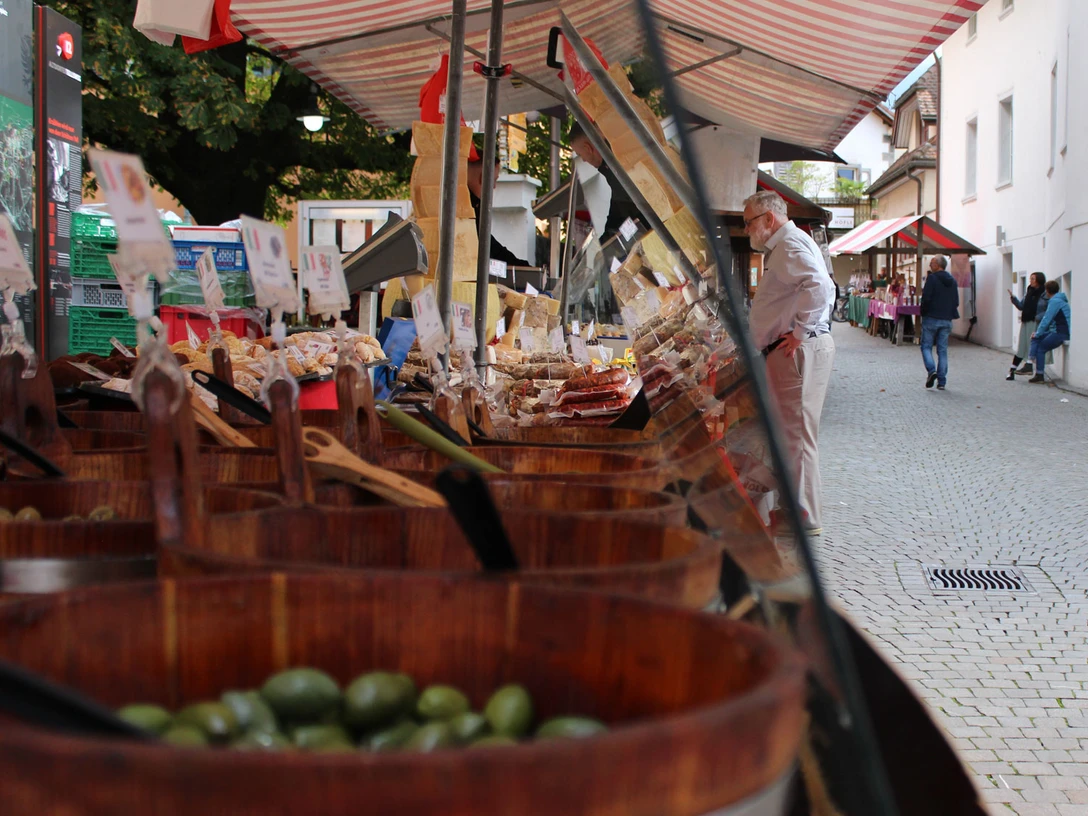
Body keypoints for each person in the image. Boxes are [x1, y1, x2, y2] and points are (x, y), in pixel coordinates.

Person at [743, 190, 836, 536]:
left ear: (768, 218)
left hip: (797, 351)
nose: (746, 229)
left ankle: (804, 518)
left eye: (749, 222)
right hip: (797, 349)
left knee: (797, 437)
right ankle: (795, 510)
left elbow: (820, 287)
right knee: (793, 435)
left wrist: (800, 332)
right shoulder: (788, 244)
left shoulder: (790, 244)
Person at [568, 122, 643, 242]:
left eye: (580, 154)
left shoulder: (618, 162)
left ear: (588, 148)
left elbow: (635, 209)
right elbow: (619, 210)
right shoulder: (608, 166)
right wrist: (605, 240)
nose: (583, 160)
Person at [465, 154, 529, 268]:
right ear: (483, 177)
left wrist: (521, 266)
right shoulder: (461, 204)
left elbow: (489, 244)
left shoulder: (474, 204)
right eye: (494, 180)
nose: (494, 186)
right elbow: (487, 245)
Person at [920, 255, 959, 391]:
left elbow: (926, 298)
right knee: (942, 350)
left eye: (932, 263)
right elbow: (956, 301)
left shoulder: (932, 279)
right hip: (946, 319)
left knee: (926, 346)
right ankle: (942, 381)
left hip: (931, 317)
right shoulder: (952, 281)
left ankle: (932, 371)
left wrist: (923, 312)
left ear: (938, 265)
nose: (930, 265)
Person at [1006, 273, 1048, 380]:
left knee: (1032, 347)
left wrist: (1038, 317)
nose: (1030, 281)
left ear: (1039, 280)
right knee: (1022, 347)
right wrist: (1013, 298)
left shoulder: (1045, 294)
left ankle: (1037, 373)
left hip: (1036, 323)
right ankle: (1012, 371)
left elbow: (1049, 310)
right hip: (1026, 321)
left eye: (1033, 279)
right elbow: (1021, 306)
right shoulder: (1029, 292)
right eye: (1030, 279)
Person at [1028, 280, 1070, 384]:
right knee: (1035, 337)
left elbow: (1047, 319)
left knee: (1041, 348)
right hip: (1057, 331)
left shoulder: (1055, 302)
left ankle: (1039, 374)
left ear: (1047, 291)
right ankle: (1030, 361)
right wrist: (1037, 334)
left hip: (1061, 333)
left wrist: (1038, 333)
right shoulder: (1059, 300)